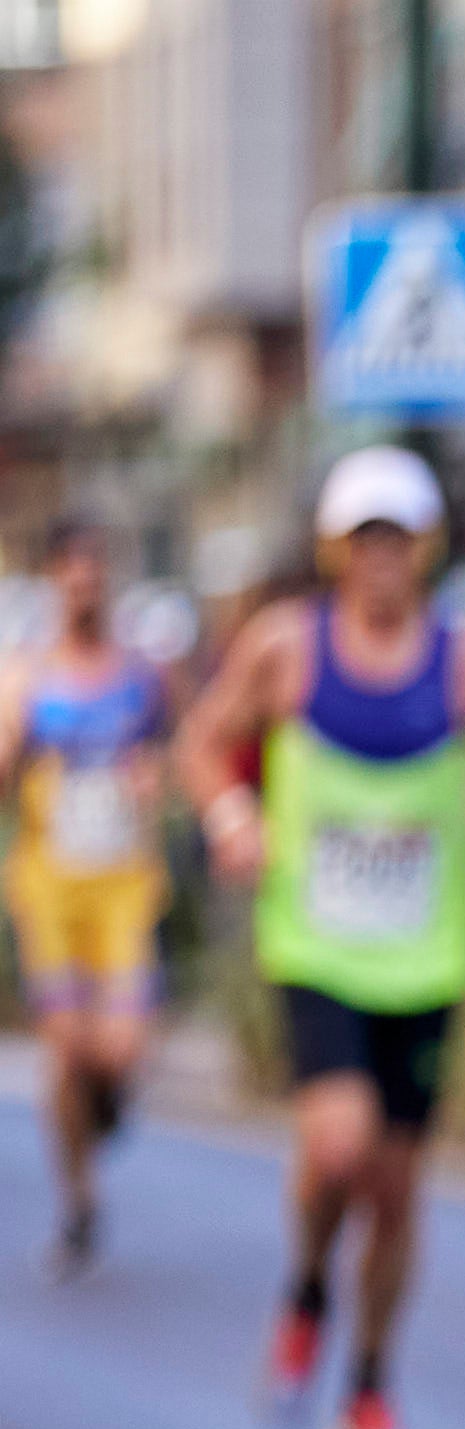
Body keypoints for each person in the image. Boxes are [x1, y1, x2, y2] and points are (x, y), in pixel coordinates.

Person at [174, 447, 465, 1429]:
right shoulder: (286, 650)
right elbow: (202, 743)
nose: (383, 561)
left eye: (400, 540)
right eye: (365, 542)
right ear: (334, 552)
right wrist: (230, 814)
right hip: (317, 944)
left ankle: (369, 1382)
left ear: (427, 550)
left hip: (426, 958)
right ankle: (307, 1287)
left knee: (396, 1192)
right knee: (337, 1146)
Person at [1, 521, 178, 1278]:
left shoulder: (141, 676)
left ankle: (105, 1102)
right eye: (71, 571)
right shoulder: (27, 678)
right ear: (53, 580)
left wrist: (155, 778)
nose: (85, 584)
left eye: (96, 570)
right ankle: (79, 1200)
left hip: (124, 887)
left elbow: (181, 748)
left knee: (120, 1051)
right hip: (51, 887)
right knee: (67, 1048)